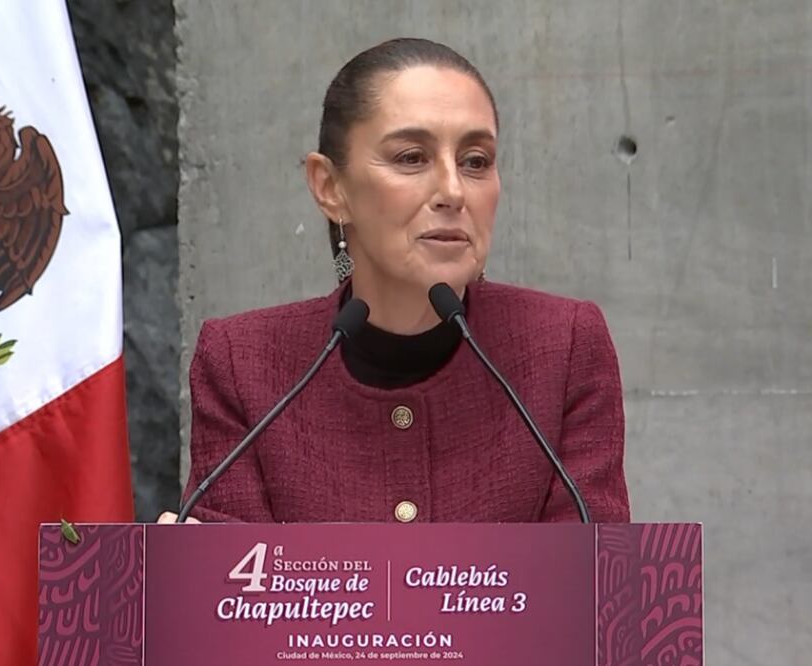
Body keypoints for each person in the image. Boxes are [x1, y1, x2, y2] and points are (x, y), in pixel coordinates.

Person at [160, 38, 629, 525]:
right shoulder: (244, 362)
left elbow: (594, 584)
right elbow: (239, 590)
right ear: (330, 187)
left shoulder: (564, 346)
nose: (452, 190)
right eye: (411, 157)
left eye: (475, 161)